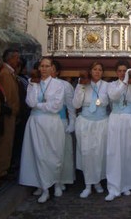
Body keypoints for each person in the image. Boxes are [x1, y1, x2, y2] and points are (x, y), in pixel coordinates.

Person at [19, 57, 65, 203]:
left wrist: (39, 105)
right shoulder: (33, 84)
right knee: (38, 154)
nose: (44, 69)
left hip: (52, 123)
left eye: (47, 66)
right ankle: (43, 186)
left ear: (52, 68)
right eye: (42, 66)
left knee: (54, 154)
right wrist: (42, 105)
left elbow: (56, 106)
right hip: (36, 122)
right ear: (39, 68)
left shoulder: (58, 84)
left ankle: (56, 182)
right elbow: (30, 102)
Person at [105, 60, 131, 201]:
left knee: (130, 152)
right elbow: (114, 96)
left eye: (125, 71)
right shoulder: (111, 85)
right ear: (116, 72)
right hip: (116, 120)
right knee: (115, 153)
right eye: (120, 71)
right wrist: (125, 81)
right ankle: (114, 187)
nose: (123, 73)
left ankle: (128, 184)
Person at [72, 62, 109, 199]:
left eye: (100, 69)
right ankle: (88, 185)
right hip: (86, 122)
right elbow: (76, 104)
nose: (97, 72)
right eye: (94, 69)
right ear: (90, 71)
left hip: (101, 122)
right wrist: (81, 86)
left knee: (99, 152)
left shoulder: (107, 86)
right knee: (86, 152)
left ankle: (98, 181)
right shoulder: (82, 85)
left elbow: (111, 101)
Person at [0, 48, 20, 179]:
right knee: (4, 143)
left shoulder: (9, 72)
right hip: (8, 113)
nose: (18, 61)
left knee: (8, 143)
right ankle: (0, 171)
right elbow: (7, 95)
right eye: (16, 58)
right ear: (10, 58)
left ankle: (4, 169)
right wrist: (12, 108)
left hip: (12, 113)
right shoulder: (5, 73)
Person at [51, 60, 76, 194]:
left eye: (52, 68)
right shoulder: (39, 84)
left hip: (61, 121)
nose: (49, 70)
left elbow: (71, 107)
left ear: (57, 71)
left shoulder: (65, 85)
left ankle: (61, 180)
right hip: (45, 123)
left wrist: (72, 122)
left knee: (61, 152)